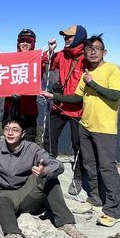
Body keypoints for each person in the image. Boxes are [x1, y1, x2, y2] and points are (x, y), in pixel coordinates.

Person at [41, 34, 120, 227]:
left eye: (97, 48)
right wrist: (53, 96)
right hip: (85, 124)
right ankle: (95, 197)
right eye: (89, 49)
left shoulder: (113, 70)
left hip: (104, 128)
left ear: (104, 52)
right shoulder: (86, 73)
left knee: (107, 167)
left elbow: (114, 96)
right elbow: (76, 98)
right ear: (85, 52)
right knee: (90, 163)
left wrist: (92, 82)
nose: (93, 51)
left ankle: (113, 210)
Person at [0, 116, 89, 238]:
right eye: (7, 129)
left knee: (50, 178)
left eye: (15, 130)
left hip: (28, 191)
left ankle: (66, 224)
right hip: (8, 193)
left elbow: (58, 165)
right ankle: (14, 237)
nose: (10, 133)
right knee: (0, 200)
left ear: (22, 134)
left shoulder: (32, 149)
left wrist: (45, 171)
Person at [43, 24, 88, 195]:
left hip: (78, 109)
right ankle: (48, 169)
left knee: (78, 144)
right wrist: (50, 50)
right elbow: (45, 63)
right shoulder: (62, 55)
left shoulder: (86, 58)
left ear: (79, 38)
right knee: (49, 137)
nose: (65, 38)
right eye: (65, 36)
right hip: (60, 106)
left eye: (69, 36)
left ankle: (77, 177)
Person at [3, 29, 40, 142]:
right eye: (22, 41)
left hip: (29, 108)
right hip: (11, 107)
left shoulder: (38, 60)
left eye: (28, 41)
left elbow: (50, 60)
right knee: (10, 140)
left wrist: (51, 49)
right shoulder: (9, 60)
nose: (24, 44)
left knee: (29, 140)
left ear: (33, 43)